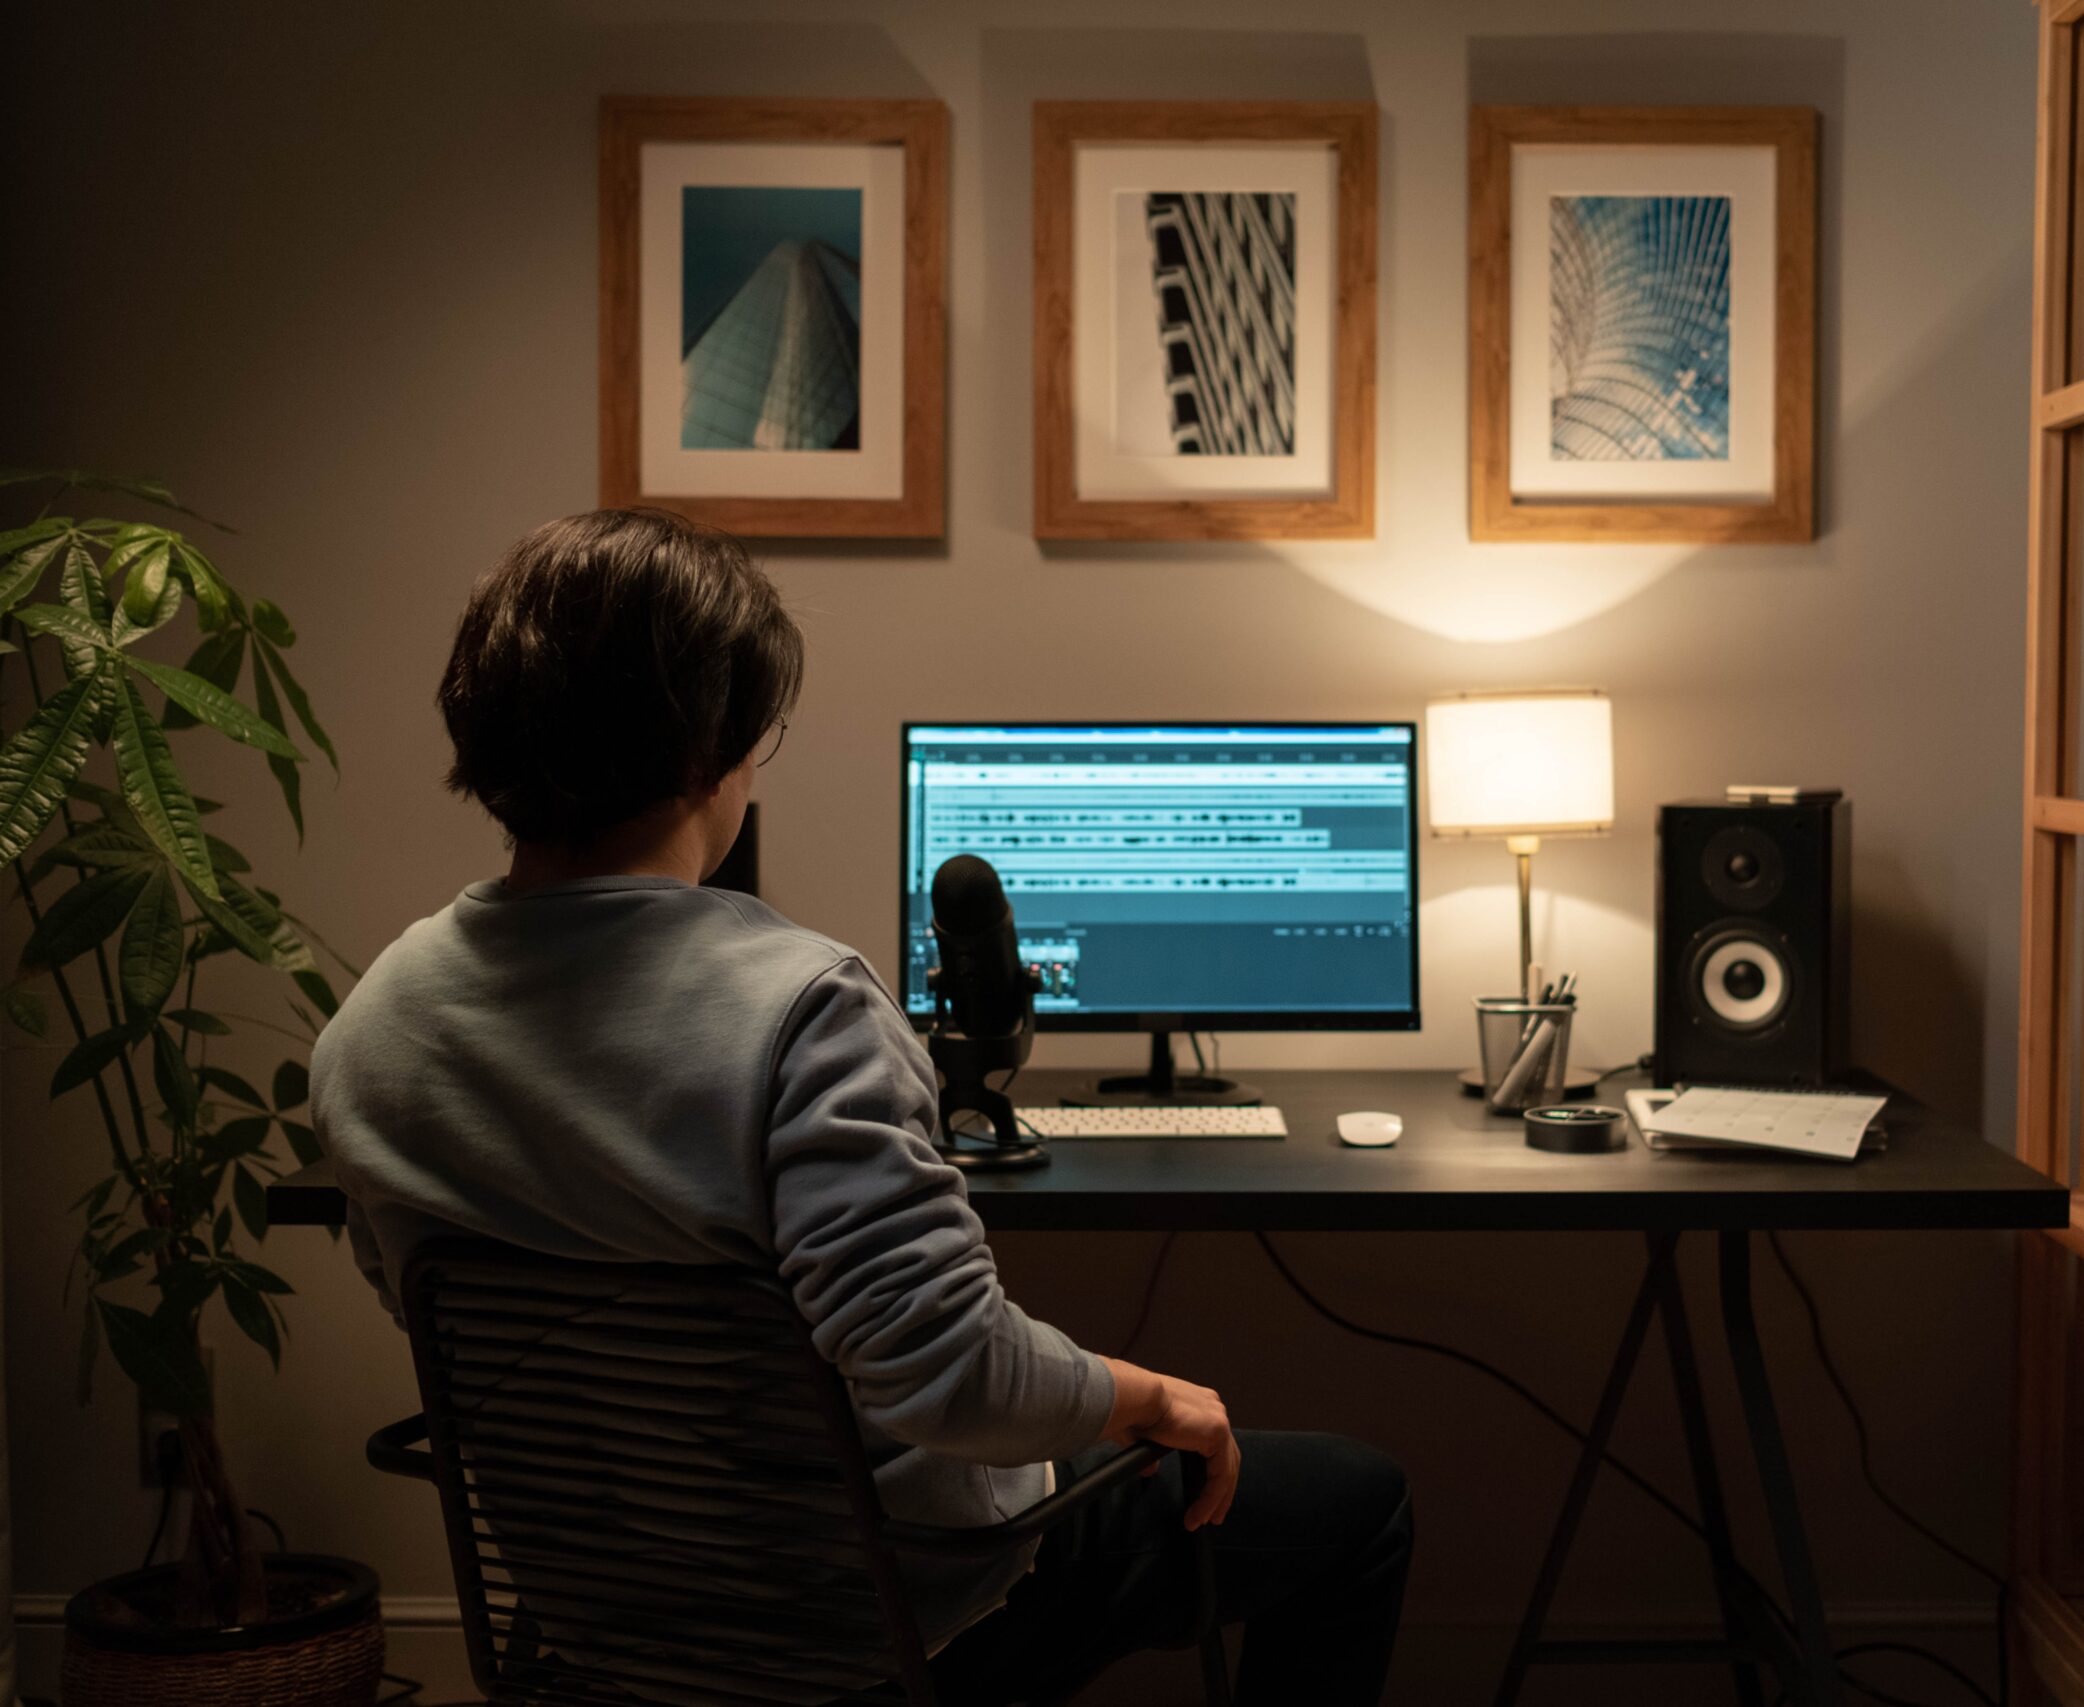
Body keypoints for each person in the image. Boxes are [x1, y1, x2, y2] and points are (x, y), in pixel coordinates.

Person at [314, 508, 1412, 1704]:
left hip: (595, 1626)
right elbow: (949, 1382)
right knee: (1360, 1503)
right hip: (880, 1620)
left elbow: (439, 1321)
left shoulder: (369, 1029)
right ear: (711, 749)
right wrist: (1154, 1398)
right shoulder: (803, 1008)